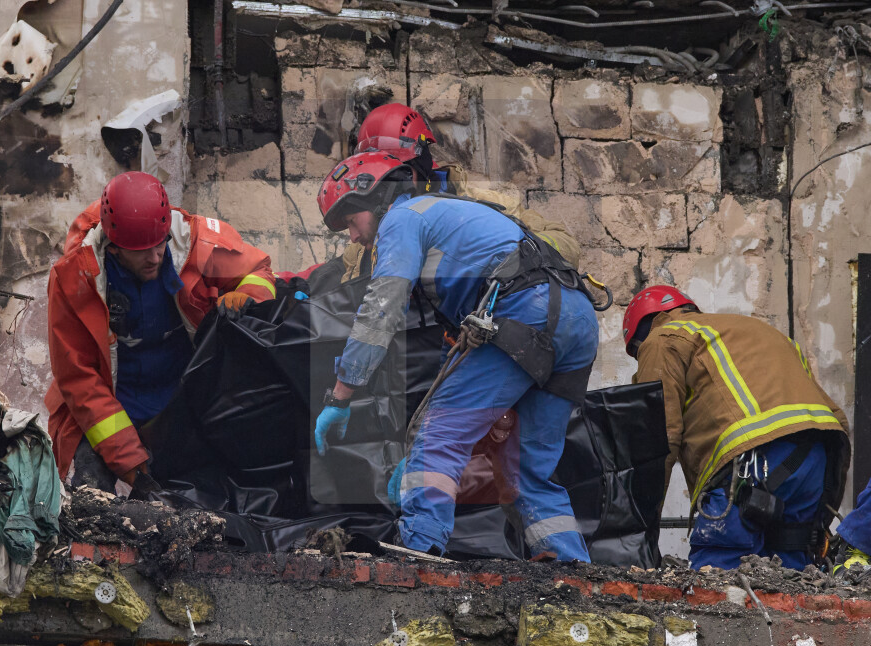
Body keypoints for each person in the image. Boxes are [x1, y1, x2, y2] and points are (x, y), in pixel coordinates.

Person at [313, 151, 600, 560]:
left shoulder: (403, 217)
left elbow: (381, 310)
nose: (353, 237)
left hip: (525, 311)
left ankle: (418, 554)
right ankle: (570, 569)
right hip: (577, 319)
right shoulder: (454, 217)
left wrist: (340, 396)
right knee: (527, 468)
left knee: (440, 434)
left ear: (372, 196)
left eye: (350, 221)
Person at [45, 171, 276, 492]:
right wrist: (130, 464)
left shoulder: (196, 243)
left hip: (183, 405)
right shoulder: (73, 278)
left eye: (160, 244)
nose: (155, 256)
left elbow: (259, 269)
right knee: (88, 496)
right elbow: (80, 379)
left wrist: (248, 295)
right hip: (110, 411)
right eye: (142, 251)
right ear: (114, 248)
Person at [622, 285, 850, 570]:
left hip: (750, 463)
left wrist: (642, 523)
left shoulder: (662, 337)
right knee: (791, 576)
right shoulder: (759, 330)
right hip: (817, 457)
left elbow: (659, 438)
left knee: (718, 580)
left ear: (640, 333)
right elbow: (836, 416)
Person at [337, 102, 580, 283]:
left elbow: (567, 247)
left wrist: (501, 248)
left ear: (419, 165)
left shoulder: (486, 204)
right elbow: (337, 281)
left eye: (394, 174)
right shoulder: (366, 239)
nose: (387, 186)